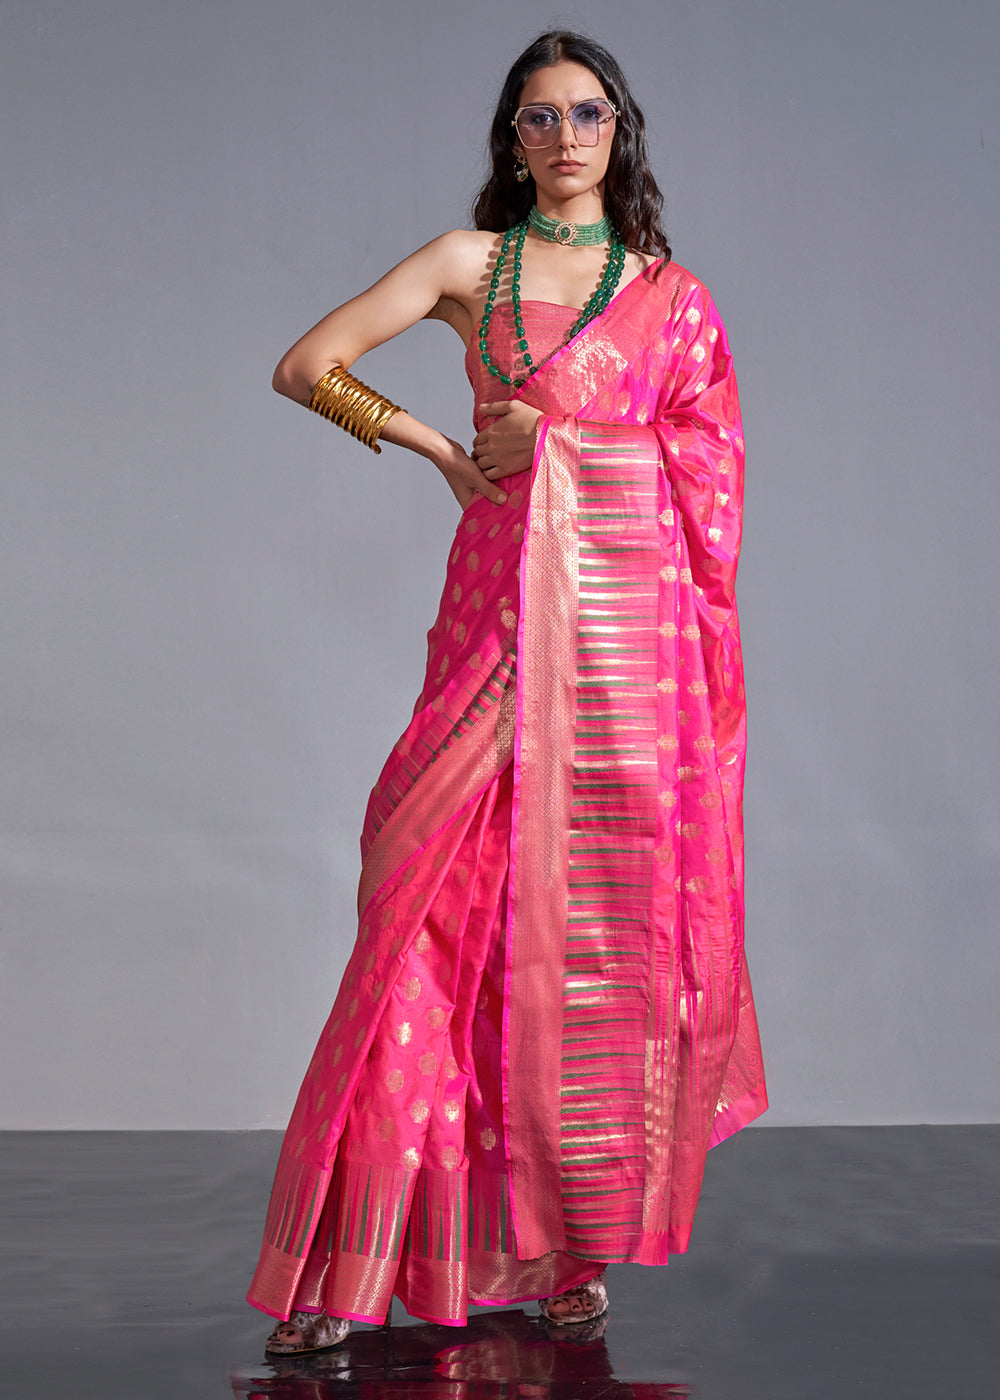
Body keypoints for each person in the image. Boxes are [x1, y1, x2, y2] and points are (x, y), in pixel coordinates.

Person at [248, 30, 767, 1356]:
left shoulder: (673, 299)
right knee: (418, 925)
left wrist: (568, 441)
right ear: (513, 137)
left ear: (619, 129)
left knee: (583, 947)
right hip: (492, 637)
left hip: (615, 681)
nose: (565, 135)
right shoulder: (468, 265)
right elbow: (306, 366)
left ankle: (562, 1252)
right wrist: (433, 445)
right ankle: (348, 1266)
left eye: (588, 113)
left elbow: (711, 483)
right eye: (540, 116)